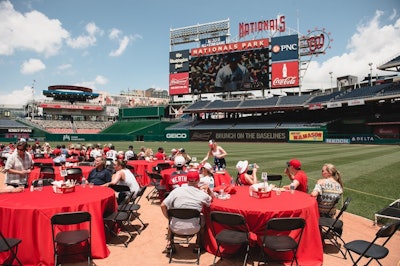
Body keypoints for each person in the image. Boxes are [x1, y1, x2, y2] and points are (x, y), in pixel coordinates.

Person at [161, 170, 213, 252]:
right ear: (198, 181)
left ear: (187, 180)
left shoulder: (176, 191)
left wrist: (168, 218)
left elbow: (163, 205)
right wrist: (209, 190)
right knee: (203, 217)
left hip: (175, 227)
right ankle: (198, 244)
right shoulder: (202, 194)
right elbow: (211, 202)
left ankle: (170, 243)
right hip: (195, 228)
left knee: (172, 217)